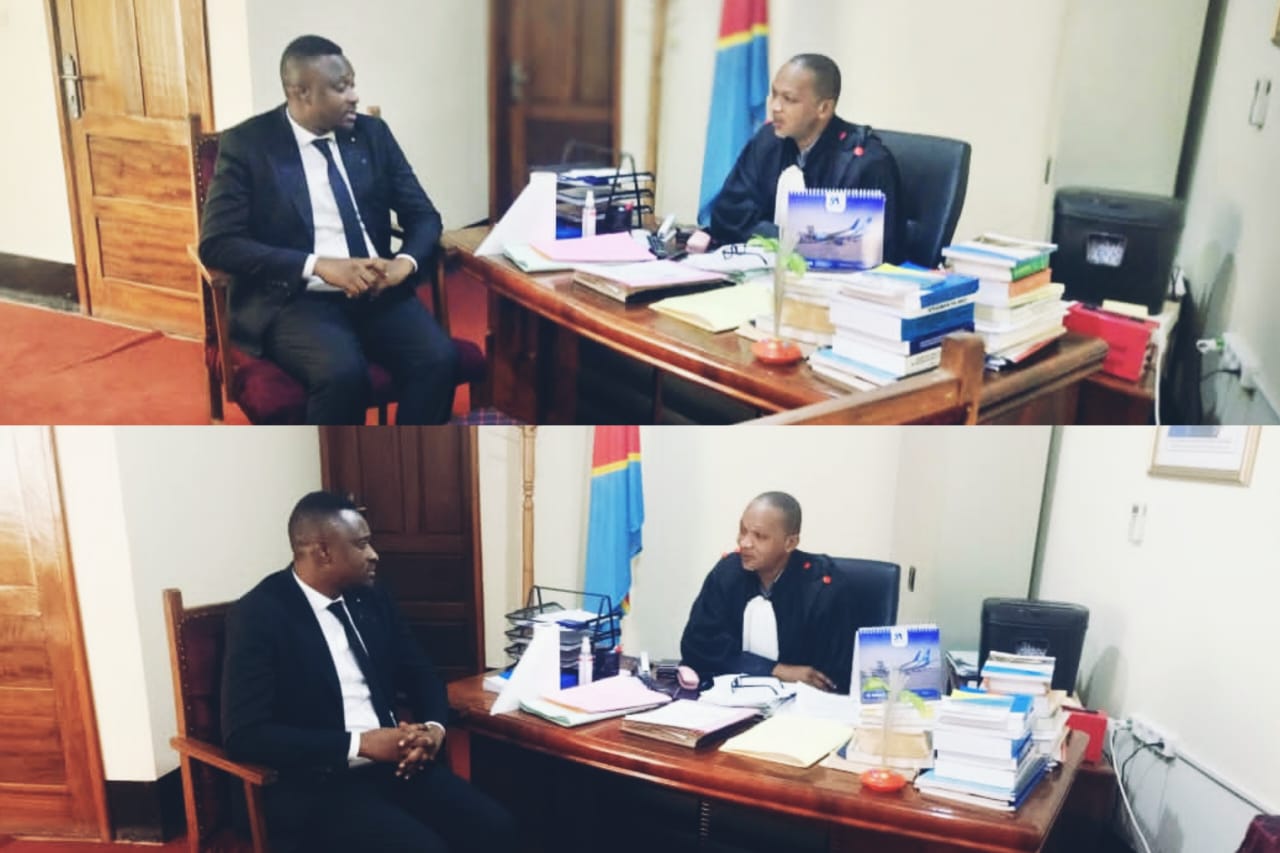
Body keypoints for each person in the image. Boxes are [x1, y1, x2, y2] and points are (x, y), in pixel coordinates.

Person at [221, 491, 516, 852]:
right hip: (318, 785)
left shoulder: (371, 597)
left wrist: (433, 730)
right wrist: (360, 744)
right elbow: (245, 735)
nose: (374, 554)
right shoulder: (259, 615)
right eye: (361, 544)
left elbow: (421, 672)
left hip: (396, 766)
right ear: (323, 552)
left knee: (496, 827)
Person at [199, 35, 458, 425]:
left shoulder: (373, 135)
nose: (354, 96)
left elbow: (423, 215)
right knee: (343, 376)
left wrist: (403, 265)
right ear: (300, 92)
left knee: (439, 360)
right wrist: (317, 265)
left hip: (377, 288)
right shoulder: (249, 145)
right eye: (341, 87)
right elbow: (218, 243)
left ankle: (402, 451)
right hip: (295, 299)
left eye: (352, 84)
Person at [705, 53, 901, 261]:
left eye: (789, 99)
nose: (775, 107)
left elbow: (874, 249)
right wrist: (788, 240)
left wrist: (779, 238)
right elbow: (727, 215)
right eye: (774, 94)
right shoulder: (768, 141)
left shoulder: (865, 162)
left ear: (824, 109)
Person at [679, 491, 855, 693]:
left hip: (801, 705)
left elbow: (829, 677)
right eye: (742, 531)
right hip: (730, 699)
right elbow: (697, 646)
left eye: (759, 536)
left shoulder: (823, 588)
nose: (744, 543)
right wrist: (775, 670)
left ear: (790, 543)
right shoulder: (728, 573)